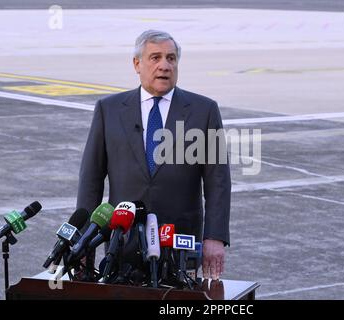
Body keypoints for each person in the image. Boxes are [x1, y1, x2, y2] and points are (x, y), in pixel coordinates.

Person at [76, 30, 231, 280]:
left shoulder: (205, 111)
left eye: (171, 58)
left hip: (181, 244)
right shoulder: (109, 109)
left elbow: (218, 181)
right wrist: (84, 238)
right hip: (122, 242)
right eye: (155, 57)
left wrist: (214, 237)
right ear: (137, 64)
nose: (164, 66)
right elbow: (91, 179)